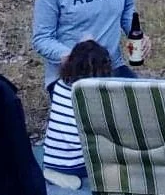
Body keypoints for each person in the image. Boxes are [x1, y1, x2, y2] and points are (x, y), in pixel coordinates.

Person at [41, 39, 115, 187]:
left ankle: (57, 172)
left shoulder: (60, 85)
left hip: (52, 157)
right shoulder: (88, 94)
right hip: (77, 160)